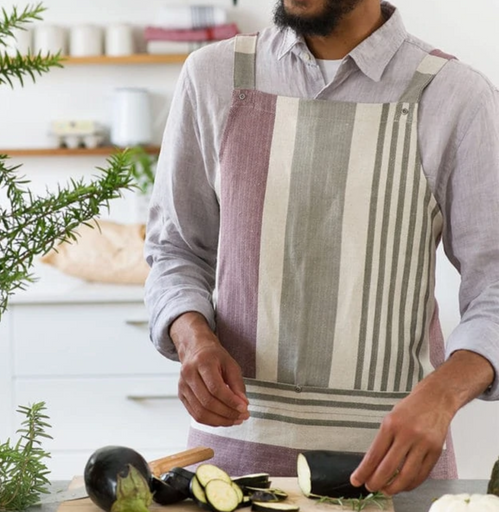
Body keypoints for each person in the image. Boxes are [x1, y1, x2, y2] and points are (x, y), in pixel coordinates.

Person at [144, 0, 499, 495]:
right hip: (234, 459)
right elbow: (176, 250)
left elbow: (495, 287)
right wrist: (192, 338)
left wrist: (443, 393)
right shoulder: (214, 75)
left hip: (393, 469)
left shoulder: (456, 95)